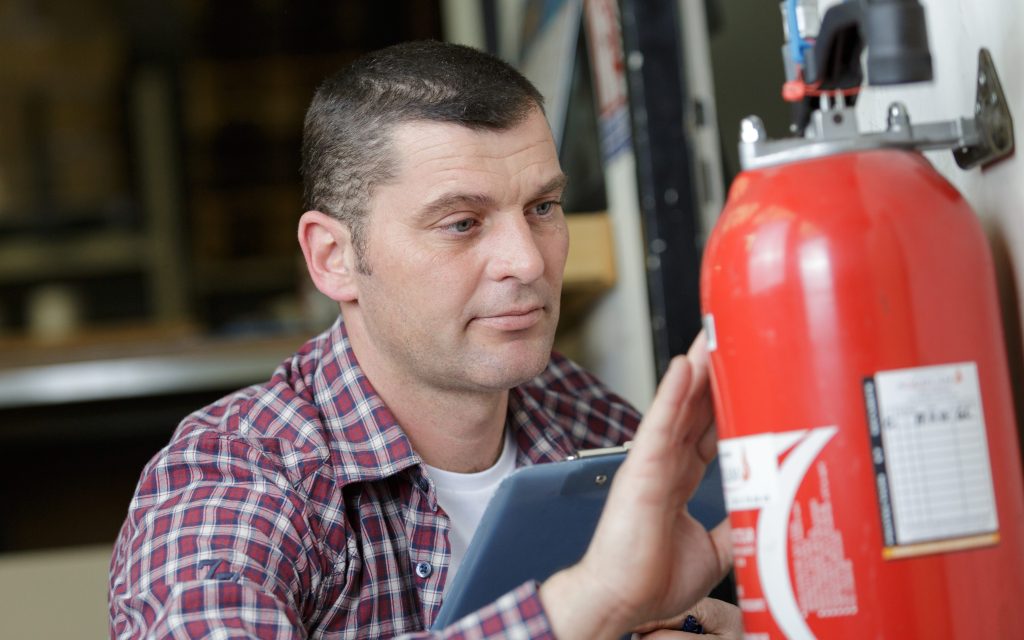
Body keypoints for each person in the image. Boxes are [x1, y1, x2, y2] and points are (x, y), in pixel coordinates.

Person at [109, 40, 738, 639]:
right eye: (461, 223)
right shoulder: (233, 473)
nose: (526, 261)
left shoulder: (588, 419)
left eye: (542, 207)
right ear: (333, 257)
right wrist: (591, 602)